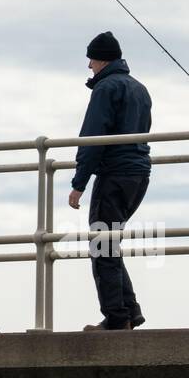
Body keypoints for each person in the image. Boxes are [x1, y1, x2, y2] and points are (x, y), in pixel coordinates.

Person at [68, 31, 152, 330]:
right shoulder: (139, 89)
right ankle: (129, 310)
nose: (89, 66)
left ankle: (116, 319)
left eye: (91, 59)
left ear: (101, 59)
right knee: (109, 243)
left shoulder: (105, 89)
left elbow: (93, 138)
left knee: (102, 245)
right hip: (139, 176)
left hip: (114, 175)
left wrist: (79, 183)